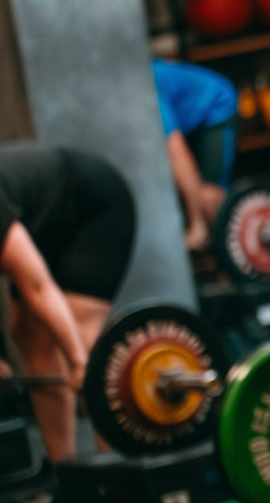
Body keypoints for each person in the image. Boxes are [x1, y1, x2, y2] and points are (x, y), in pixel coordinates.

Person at [0, 145, 134, 474]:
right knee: (29, 338)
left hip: (91, 205)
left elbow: (38, 288)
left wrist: (78, 362)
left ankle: (116, 472)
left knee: (81, 336)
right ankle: (66, 473)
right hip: (41, 225)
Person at [152, 59, 237, 252]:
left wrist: (197, 223)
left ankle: (226, 253)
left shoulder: (147, 89)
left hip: (214, 106)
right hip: (185, 119)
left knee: (209, 193)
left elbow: (176, 150)